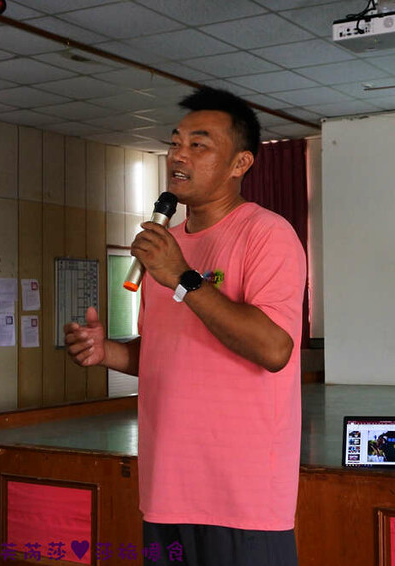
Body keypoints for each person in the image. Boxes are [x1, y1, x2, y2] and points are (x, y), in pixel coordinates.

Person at [64, 88, 307, 566]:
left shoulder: (266, 233)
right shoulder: (164, 246)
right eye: (175, 142)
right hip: (166, 488)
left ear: (240, 164)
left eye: (199, 144)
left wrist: (181, 277)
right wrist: (107, 351)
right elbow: (164, 351)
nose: (178, 154)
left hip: (242, 498)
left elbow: (275, 349)